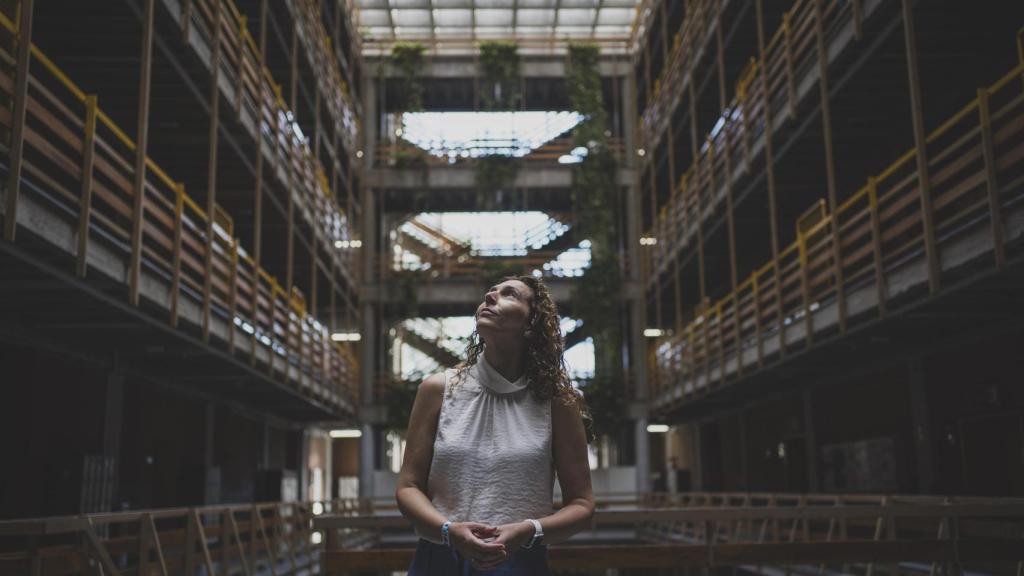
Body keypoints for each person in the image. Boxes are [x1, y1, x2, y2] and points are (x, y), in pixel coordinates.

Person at [396, 275, 595, 574]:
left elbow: (582, 504)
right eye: (489, 293)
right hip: (439, 556)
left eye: (509, 294)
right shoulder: (436, 389)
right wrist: (448, 530)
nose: (489, 298)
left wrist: (529, 531)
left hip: (519, 560)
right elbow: (408, 487)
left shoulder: (558, 402)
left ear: (532, 324)